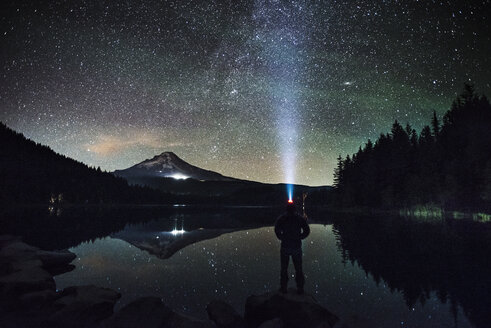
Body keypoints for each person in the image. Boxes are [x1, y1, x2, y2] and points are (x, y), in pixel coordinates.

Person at [274, 202, 310, 294]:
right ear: (295, 209)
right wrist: (300, 237)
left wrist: (281, 237)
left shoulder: (282, 218)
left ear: (286, 209)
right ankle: (300, 289)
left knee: (284, 269)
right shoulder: (300, 218)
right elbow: (307, 231)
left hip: (285, 247)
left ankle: (283, 288)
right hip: (296, 247)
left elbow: (276, 229)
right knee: (298, 269)